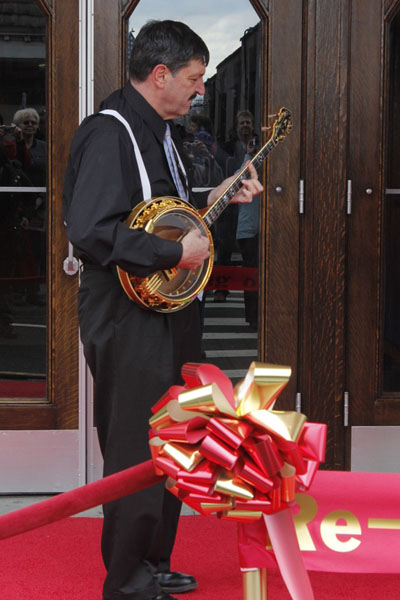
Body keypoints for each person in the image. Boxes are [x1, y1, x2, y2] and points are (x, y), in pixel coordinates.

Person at [62, 20, 263, 600]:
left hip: (167, 309)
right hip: (126, 315)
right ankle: (125, 579)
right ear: (160, 75)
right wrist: (176, 251)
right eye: (195, 79)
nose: (201, 90)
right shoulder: (109, 132)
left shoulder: (163, 134)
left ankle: (153, 563)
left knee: (174, 436)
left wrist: (216, 195)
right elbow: (93, 229)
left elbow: (158, 208)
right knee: (133, 443)